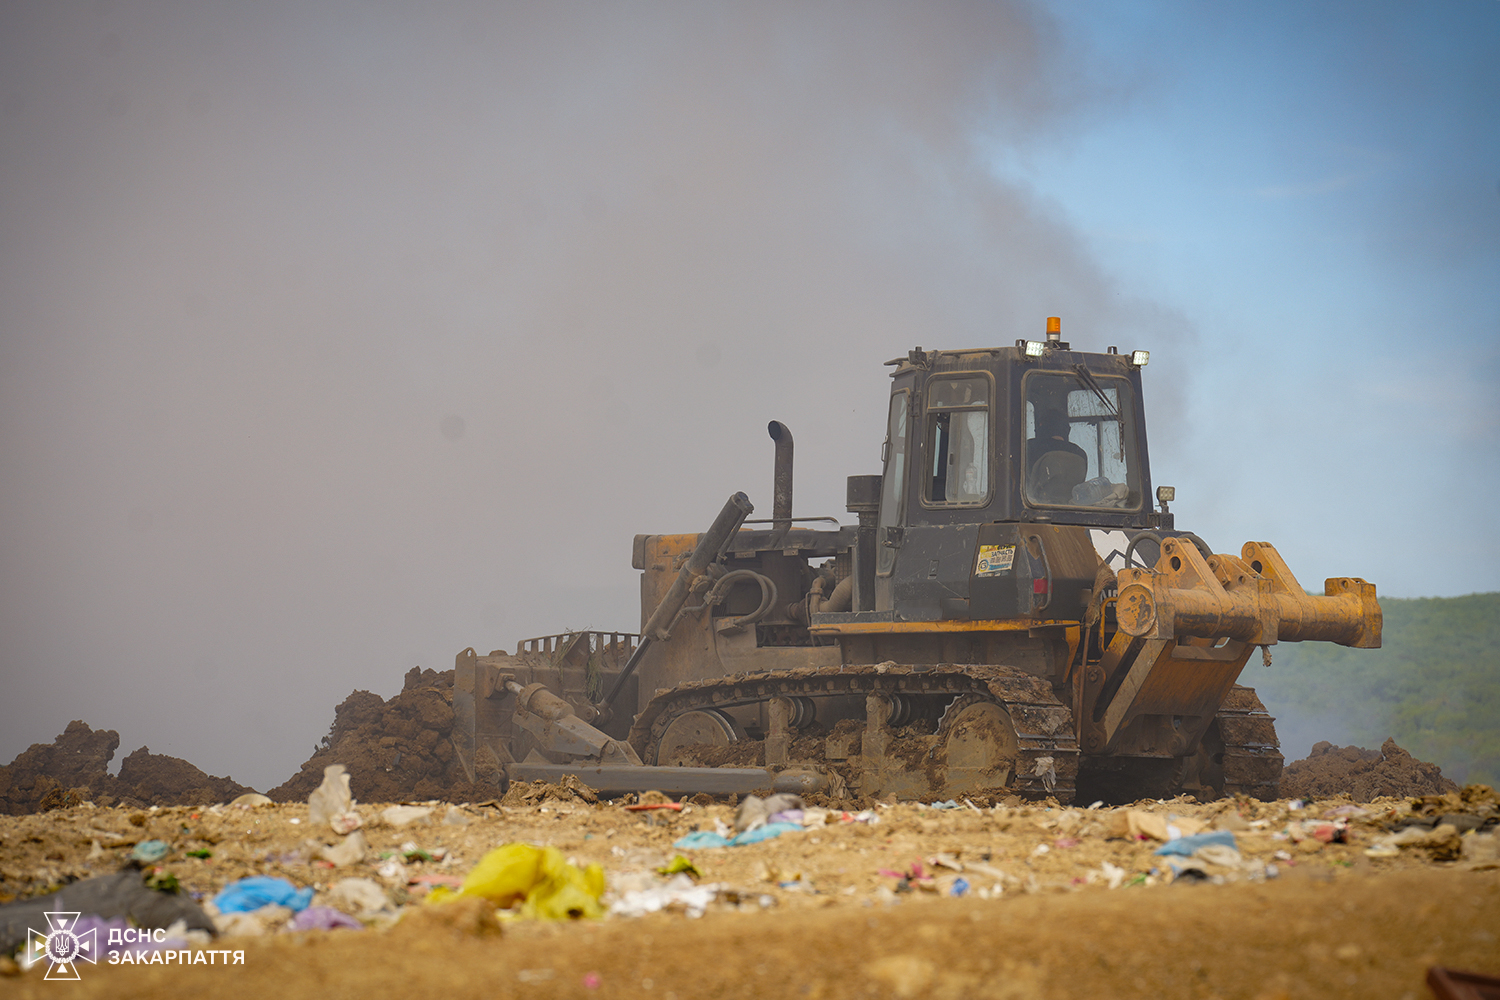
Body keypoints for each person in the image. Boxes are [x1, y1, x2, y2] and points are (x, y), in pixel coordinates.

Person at [1026, 410, 1088, 504]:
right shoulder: (1080, 453)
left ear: (1041, 425)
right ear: (1067, 429)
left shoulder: (1029, 448)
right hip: (1072, 511)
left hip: (1035, 510)